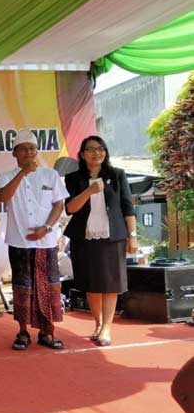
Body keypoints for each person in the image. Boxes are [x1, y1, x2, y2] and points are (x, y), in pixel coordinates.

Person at [0, 128, 68, 350]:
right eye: (23, 149)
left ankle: (48, 332)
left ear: (36, 151)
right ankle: (23, 332)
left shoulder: (50, 175)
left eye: (32, 149)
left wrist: (46, 228)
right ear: (14, 153)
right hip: (20, 242)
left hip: (45, 242)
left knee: (48, 288)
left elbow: (59, 204)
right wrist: (22, 173)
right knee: (22, 288)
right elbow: (3, 197)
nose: (28, 153)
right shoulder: (6, 176)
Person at [64, 135, 137, 346]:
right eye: (91, 149)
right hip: (84, 238)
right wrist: (88, 191)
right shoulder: (73, 178)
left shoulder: (117, 175)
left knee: (110, 284)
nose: (97, 152)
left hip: (113, 237)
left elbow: (127, 208)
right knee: (92, 284)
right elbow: (71, 208)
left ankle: (107, 328)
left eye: (101, 148)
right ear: (83, 154)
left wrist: (132, 236)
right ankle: (98, 323)